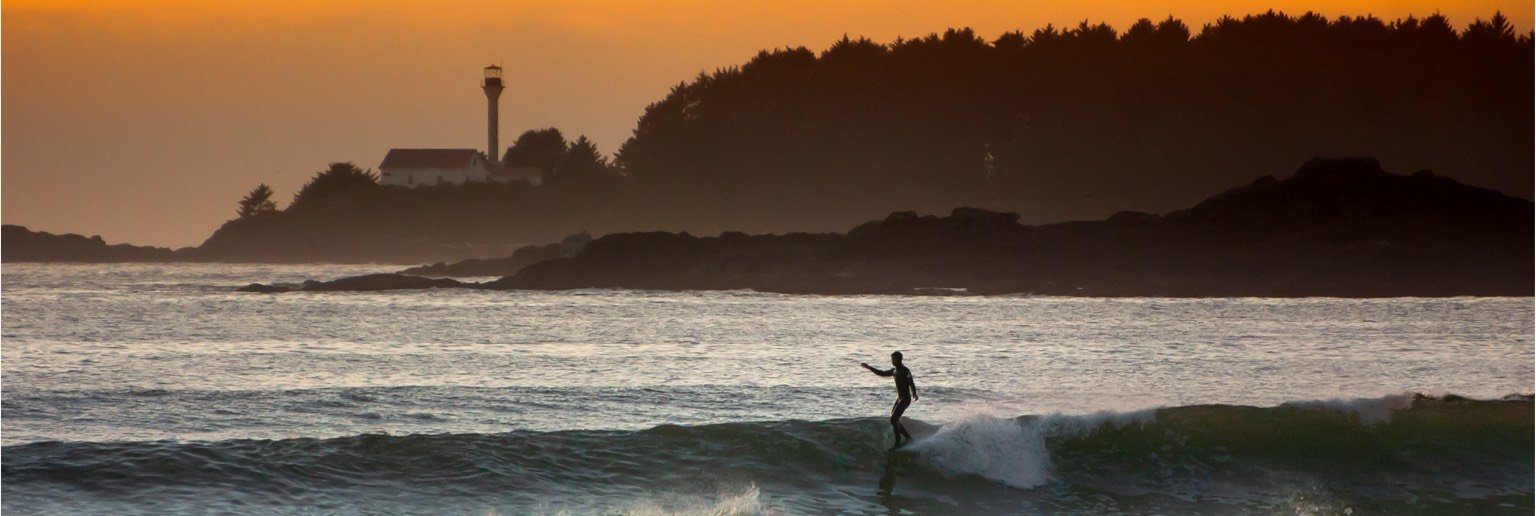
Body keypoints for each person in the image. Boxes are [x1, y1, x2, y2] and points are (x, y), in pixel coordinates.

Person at [861, 351, 918, 445]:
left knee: (893, 419)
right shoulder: (894, 371)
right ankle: (908, 438)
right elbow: (882, 373)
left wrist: (914, 393)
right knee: (893, 419)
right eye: (892, 358)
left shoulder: (905, 370)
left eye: (893, 359)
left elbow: (911, 383)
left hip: (905, 399)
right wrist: (869, 367)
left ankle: (898, 442)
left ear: (899, 359)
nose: (892, 360)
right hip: (899, 399)